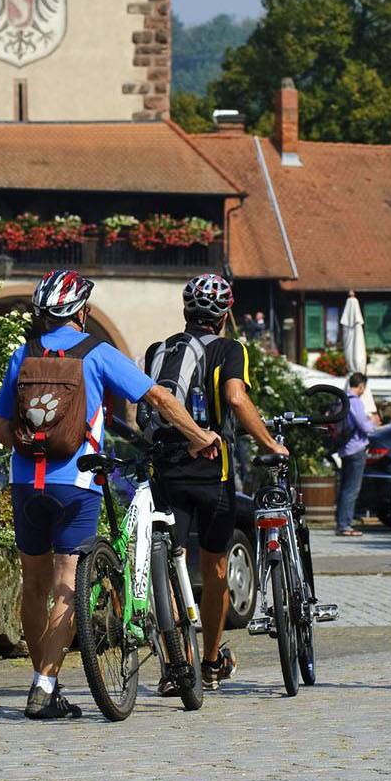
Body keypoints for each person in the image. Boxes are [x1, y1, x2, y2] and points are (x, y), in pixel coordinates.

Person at [0, 270, 221, 720]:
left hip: (25, 483)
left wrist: (36, 437)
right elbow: (157, 397)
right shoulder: (96, 353)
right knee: (67, 585)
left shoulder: (23, 354)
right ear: (81, 312)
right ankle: (44, 685)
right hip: (76, 483)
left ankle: (43, 682)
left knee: (33, 586)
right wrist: (199, 435)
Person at [141, 273, 287, 692]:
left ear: (185, 311)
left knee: (170, 563)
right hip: (212, 469)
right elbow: (237, 398)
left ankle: (176, 662)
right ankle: (208, 662)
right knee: (215, 565)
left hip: (167, 466)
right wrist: (270, 443)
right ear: (224, 315)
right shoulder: (231, 349)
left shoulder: (158, 350)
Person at [330, 372, 376, 537]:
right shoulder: (354, 401)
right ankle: (345, 525)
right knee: (351, 489)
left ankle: (341, 523)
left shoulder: (341, 400)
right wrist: (373, 424)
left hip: (344, 448)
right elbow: (364, 426)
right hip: (355, 448)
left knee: (345, 487)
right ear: (361, 386)